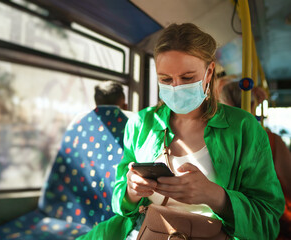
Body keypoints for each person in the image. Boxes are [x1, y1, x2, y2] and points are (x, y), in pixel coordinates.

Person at [77, 23, 285, 240]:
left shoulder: (243, 128)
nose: (176, 87)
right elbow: (120, 198)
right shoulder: (141, 124)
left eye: (187, 78)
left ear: (209, 72)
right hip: (147, 230)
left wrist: (216, 196)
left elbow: (267, 222)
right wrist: (130, 191)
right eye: (166, 79)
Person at [219, 81, 291, 239]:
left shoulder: (215, 140)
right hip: (267, 224)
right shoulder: (270, 140)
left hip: (225, 225)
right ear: (253, 105)